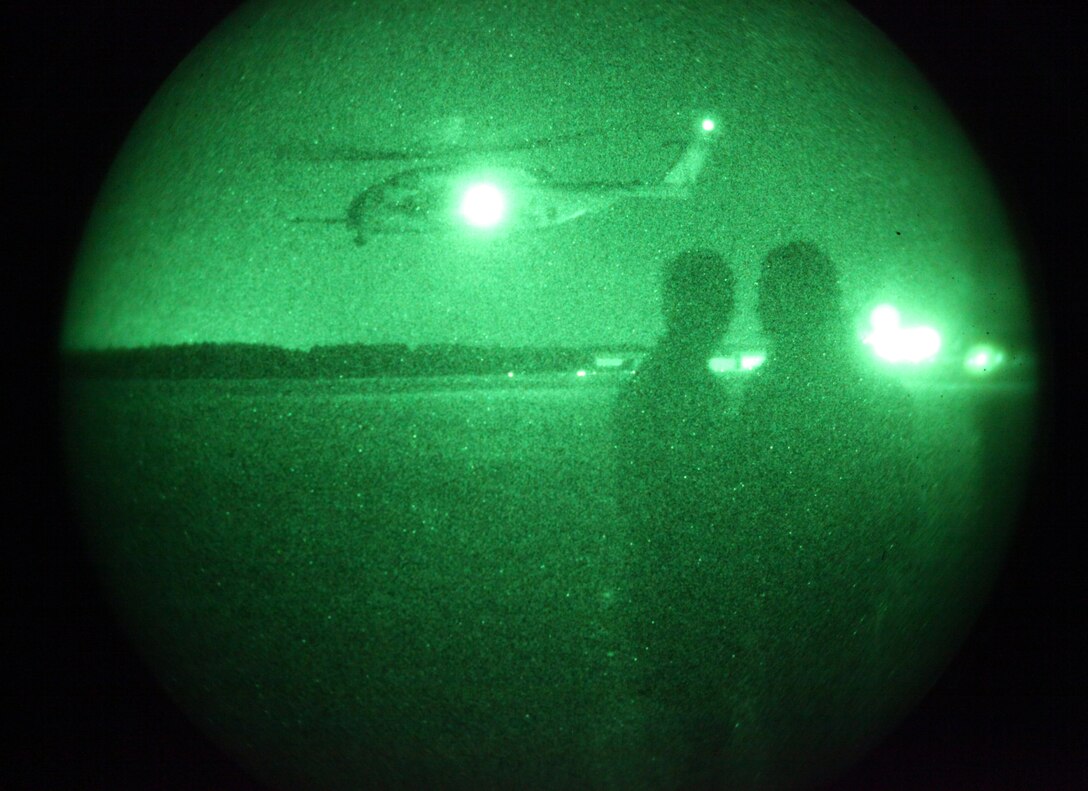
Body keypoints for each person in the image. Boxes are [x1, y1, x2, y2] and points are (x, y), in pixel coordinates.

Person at [734, 241, 922, 783]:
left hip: (796, 593)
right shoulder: (874, 386)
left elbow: (748, 494)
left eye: (771, 295)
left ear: (792, 302)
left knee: (798, 734)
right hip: (849, 593)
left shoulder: (773, 391)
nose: (761, 308)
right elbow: (902, 506)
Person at [613, 248, 743, 788]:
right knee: (695, 740)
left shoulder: (654, 384)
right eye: (720, 302)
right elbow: (686, 504)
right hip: (686, 589)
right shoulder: (682, 390)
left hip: (664, 587)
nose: (727, 314)